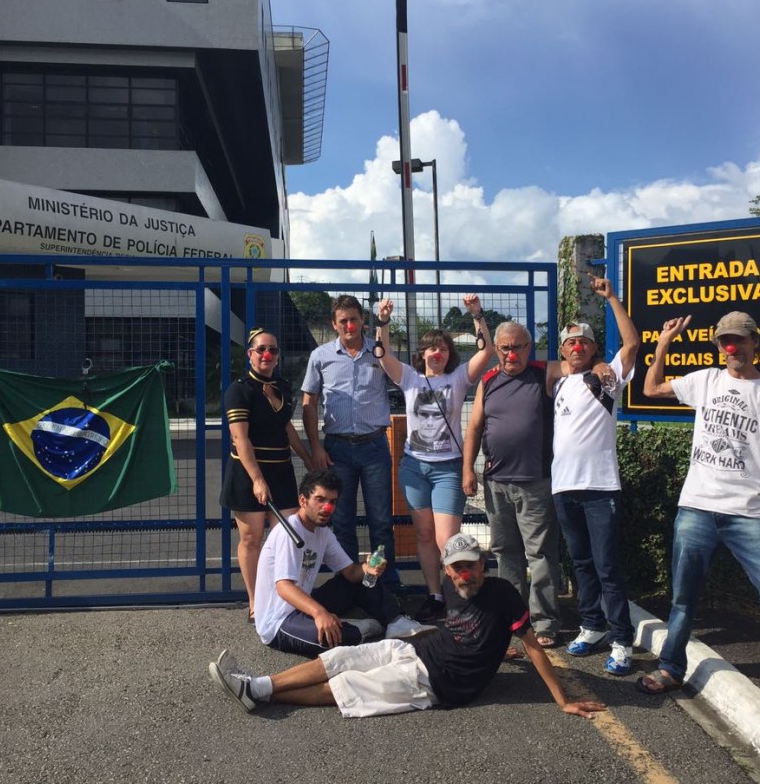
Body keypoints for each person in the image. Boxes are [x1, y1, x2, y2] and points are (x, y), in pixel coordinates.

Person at [210, 532, 607, 720]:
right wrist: (495, 648)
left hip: (435, 683)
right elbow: (468, 628)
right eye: (456, 568)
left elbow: (535, 646)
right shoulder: (452, 590)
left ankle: (261, 696)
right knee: (341, 657)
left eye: (470, 565)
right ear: (448, 572)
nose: (463, 574)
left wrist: (562, 699)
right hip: (415, 647)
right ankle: (258, 684)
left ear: (482, 564)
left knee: (347, 689)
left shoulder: (503, 594)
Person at [638, 311, 760, 718]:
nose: (730, 348)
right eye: (723, 341)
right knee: (683, 599)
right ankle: (670, 668)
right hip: (697, 507)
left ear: (755, 343)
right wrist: (663, 342)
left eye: (738, 340)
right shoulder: (706, 380)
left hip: (748, 514)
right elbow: (650, 387)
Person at [374, 294, 494, 623]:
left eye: (443, 349)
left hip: (447, 469)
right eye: (432, 348)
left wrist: (477, 315)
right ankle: (436, 596)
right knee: (424, 536)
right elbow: (382, 355)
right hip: (414, 467)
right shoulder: (411, 378)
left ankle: (462, 597)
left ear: (448, 355)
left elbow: (487, 351)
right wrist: (382, 322)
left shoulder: (457, 379)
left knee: (447, 540)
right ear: (423, 354)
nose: (437, 353)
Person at [546, 275, 641, 676]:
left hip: (600, 487)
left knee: (606, 567)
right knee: (581, 563)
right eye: (570, 342)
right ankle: (592, 626)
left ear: (593, 347)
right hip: (563, 487)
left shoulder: (605, 379)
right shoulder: (559, 382)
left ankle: (621, 641)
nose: (577, 347)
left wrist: (613, 298)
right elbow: (530, 361)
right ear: (564, 350)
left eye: (583, 341)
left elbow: (633, 344)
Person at [253, 469, 432, 658]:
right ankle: (357, 629)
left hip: (303, 606)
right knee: (335, 640)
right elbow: (284, 587)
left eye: (332, 502)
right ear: (303, 501)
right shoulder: (288, 532)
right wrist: (320, 612)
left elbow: (351, 573)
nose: (327, 508)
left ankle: (396, 621)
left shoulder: (323, 534)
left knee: (362, 580)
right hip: (279, 621)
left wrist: (367, 567)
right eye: (320, 499)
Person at [462, 322, 562, 648]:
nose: (510, 353)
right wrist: (468, 470)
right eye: (504, 347)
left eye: (517, 347)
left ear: (528, 348)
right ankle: (513, 618)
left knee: (540, 554)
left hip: (534, 481)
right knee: (507, 554)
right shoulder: (488, 381)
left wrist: (600, 364)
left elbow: (577, 364)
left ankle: (545, 623)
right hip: (496, 482)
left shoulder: (543, 372)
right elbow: (475, 428)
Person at [302, 294, 401, 590]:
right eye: (343, 321)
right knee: (341, 520)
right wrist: (316, 447)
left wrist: (385, 324)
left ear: (362, 322)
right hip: (337, 449)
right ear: (334, 324)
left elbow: (401, 378)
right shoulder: (320, 356)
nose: (349, 325)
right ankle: (349, 583)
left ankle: (385, 584)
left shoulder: (379, 353)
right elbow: (309, 402)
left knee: (381, 521)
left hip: (374, 447)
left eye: (354, 319)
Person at [221, 328, 312, 621]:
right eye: (261, 349)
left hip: (281, 471)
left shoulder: (283, 386)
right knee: (251, 539)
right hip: (248, 473)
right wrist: (258, 480)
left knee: (290, 534)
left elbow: (287, 428)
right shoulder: (238, 390)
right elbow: (240, 440)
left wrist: (309, 460)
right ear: (250, 354)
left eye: (272, 349)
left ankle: (286, 595)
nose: (267, 354)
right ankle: (255, 602)